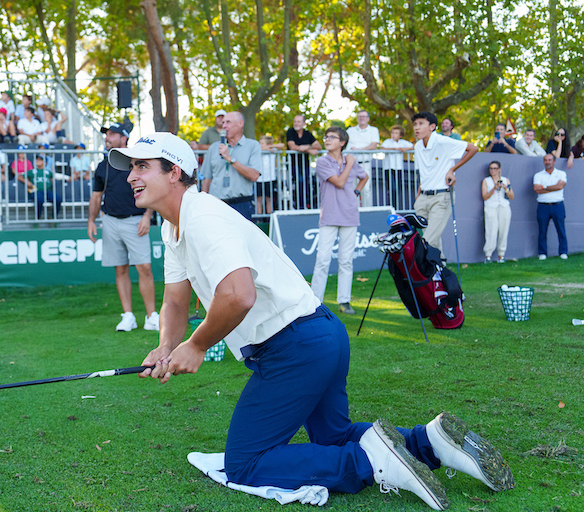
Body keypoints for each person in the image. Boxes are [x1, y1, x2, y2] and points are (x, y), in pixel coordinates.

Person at [109, 131, 514, 512]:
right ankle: (430, 443)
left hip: (294, 347)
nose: (131, 176)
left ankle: (373, 461)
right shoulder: (173, 226)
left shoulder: (202, 216)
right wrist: (165, 345)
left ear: (174, 172)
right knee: (332, 439)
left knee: (246, 463)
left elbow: (238, 295)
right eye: (130, 167)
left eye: (142, 166)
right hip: (320, 337)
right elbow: (176, 302)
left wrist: (195, 346)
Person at [88, 122, 158, 332]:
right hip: (110, 220)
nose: (107, 137)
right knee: (120, 269)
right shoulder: (102, 165)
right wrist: (91, 220)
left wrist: (147, 215)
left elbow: (151, 189)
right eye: (106, 134)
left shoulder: (138, 162)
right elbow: (96, 196)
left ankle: (151, 316)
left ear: (123, 138)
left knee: (144, 267)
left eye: (112, 134)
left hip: (135, 220)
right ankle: (128, 316)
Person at [311, 126, 369, 315]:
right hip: (329, 215)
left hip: (350, 214)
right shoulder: (322, 161)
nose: (327, 140)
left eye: (332, 137)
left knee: (346, 261)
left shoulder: (350, 160)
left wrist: (356, 192)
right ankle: (315, 302)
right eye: (326, 137)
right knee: (322, 260)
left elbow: (364, 177)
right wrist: (350, 164)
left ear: (342, 142)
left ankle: (344, 301)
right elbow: (339, 182)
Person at [412, 111, 479, 258]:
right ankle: (440, 271)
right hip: (423, 198)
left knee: (426, 241)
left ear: (432, 126)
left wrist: (452, 170)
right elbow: (424, 173)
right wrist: (418, 197)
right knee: (433, 241)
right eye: (415, 124)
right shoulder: (417, 146)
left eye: (421, 124)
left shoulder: (443, 141)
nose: (417, 128)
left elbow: (473, 148)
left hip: (441, 197)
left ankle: (424, 274)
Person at [201, 112, 263, 220]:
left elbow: (254, 175)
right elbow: (207, 180)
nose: (224, 125)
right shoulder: (214, 148)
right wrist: (202, 205)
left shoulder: (252, 145)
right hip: (216, 205)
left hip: (242, 205)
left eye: (228, 122)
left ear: (240, 124)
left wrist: (230, 159)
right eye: (223, 122)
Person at [533, 153, 568, 260]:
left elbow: (560, 186)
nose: (547, 162)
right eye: (545, 160)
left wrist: (544, 187)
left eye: (549, 160)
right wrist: (553, 187)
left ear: (554, 161)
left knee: (561, 229)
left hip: (558, 205)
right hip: (543, 206)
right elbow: (537, 189)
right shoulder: (538, 175)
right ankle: (542, 253)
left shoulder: (561, 173)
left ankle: (563, 252)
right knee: (542, 230)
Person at [285, 114, 322, 209]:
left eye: (298, 121)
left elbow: (319, 146)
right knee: (299, 180)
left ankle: (305, 204)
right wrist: (309, 150)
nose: (296, 123)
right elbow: (292, 147)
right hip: (293, 163)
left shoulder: (307, 134)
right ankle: (299, 205)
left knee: (306, 182)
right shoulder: (290, 132)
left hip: (304, 164)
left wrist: (306, 147)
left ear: (304, 123)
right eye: (295, 121)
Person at [481, 161, 513, 263]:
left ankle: (501, 255)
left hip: (503, 206)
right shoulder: (486, 181)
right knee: (491, 231)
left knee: (504, 231)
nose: (493, 171)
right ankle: (488, 255)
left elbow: (512, 196)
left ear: (499, 169)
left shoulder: (505, 180)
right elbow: (485, 196)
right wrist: (494, 188)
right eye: (491, 168)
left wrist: (505, 188)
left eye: (495, 168)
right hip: (491, 206)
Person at [380, 124, 414, 209]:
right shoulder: (388, 142)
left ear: (400, 135)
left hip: (398, 168)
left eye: (396, 133)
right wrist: (394, 149)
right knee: (392, 188)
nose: (393, 135)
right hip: (388, 168)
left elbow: (414, 146)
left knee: (397, 188)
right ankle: (390, 206)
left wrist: (405, 149)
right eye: (392, 133)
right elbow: (382, 148)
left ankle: (394, 206)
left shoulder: (403, 142)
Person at [25, 153, 62, 218]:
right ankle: (37, 218)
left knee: (58, 199)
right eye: (37, 159)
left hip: (48, 191)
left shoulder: (48, 172)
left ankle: (53, 217)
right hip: (36, 191)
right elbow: (20, 177)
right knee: (39, 199)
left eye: (40, 160)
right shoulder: (31, 171)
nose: (37, 161)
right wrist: (27, 182)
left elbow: (54, 177)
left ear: (45, 163)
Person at [256, 135, 279, 215]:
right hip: (259, 178)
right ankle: (259, 217)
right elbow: (258, 149)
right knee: (259, 199)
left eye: (262, 143)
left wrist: (270, 147)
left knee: (268, 198)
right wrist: (266, 148)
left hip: (270, 178)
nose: (260, 144)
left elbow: (281, 146)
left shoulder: (272, 150)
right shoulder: (258, 150)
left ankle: (269, 216)